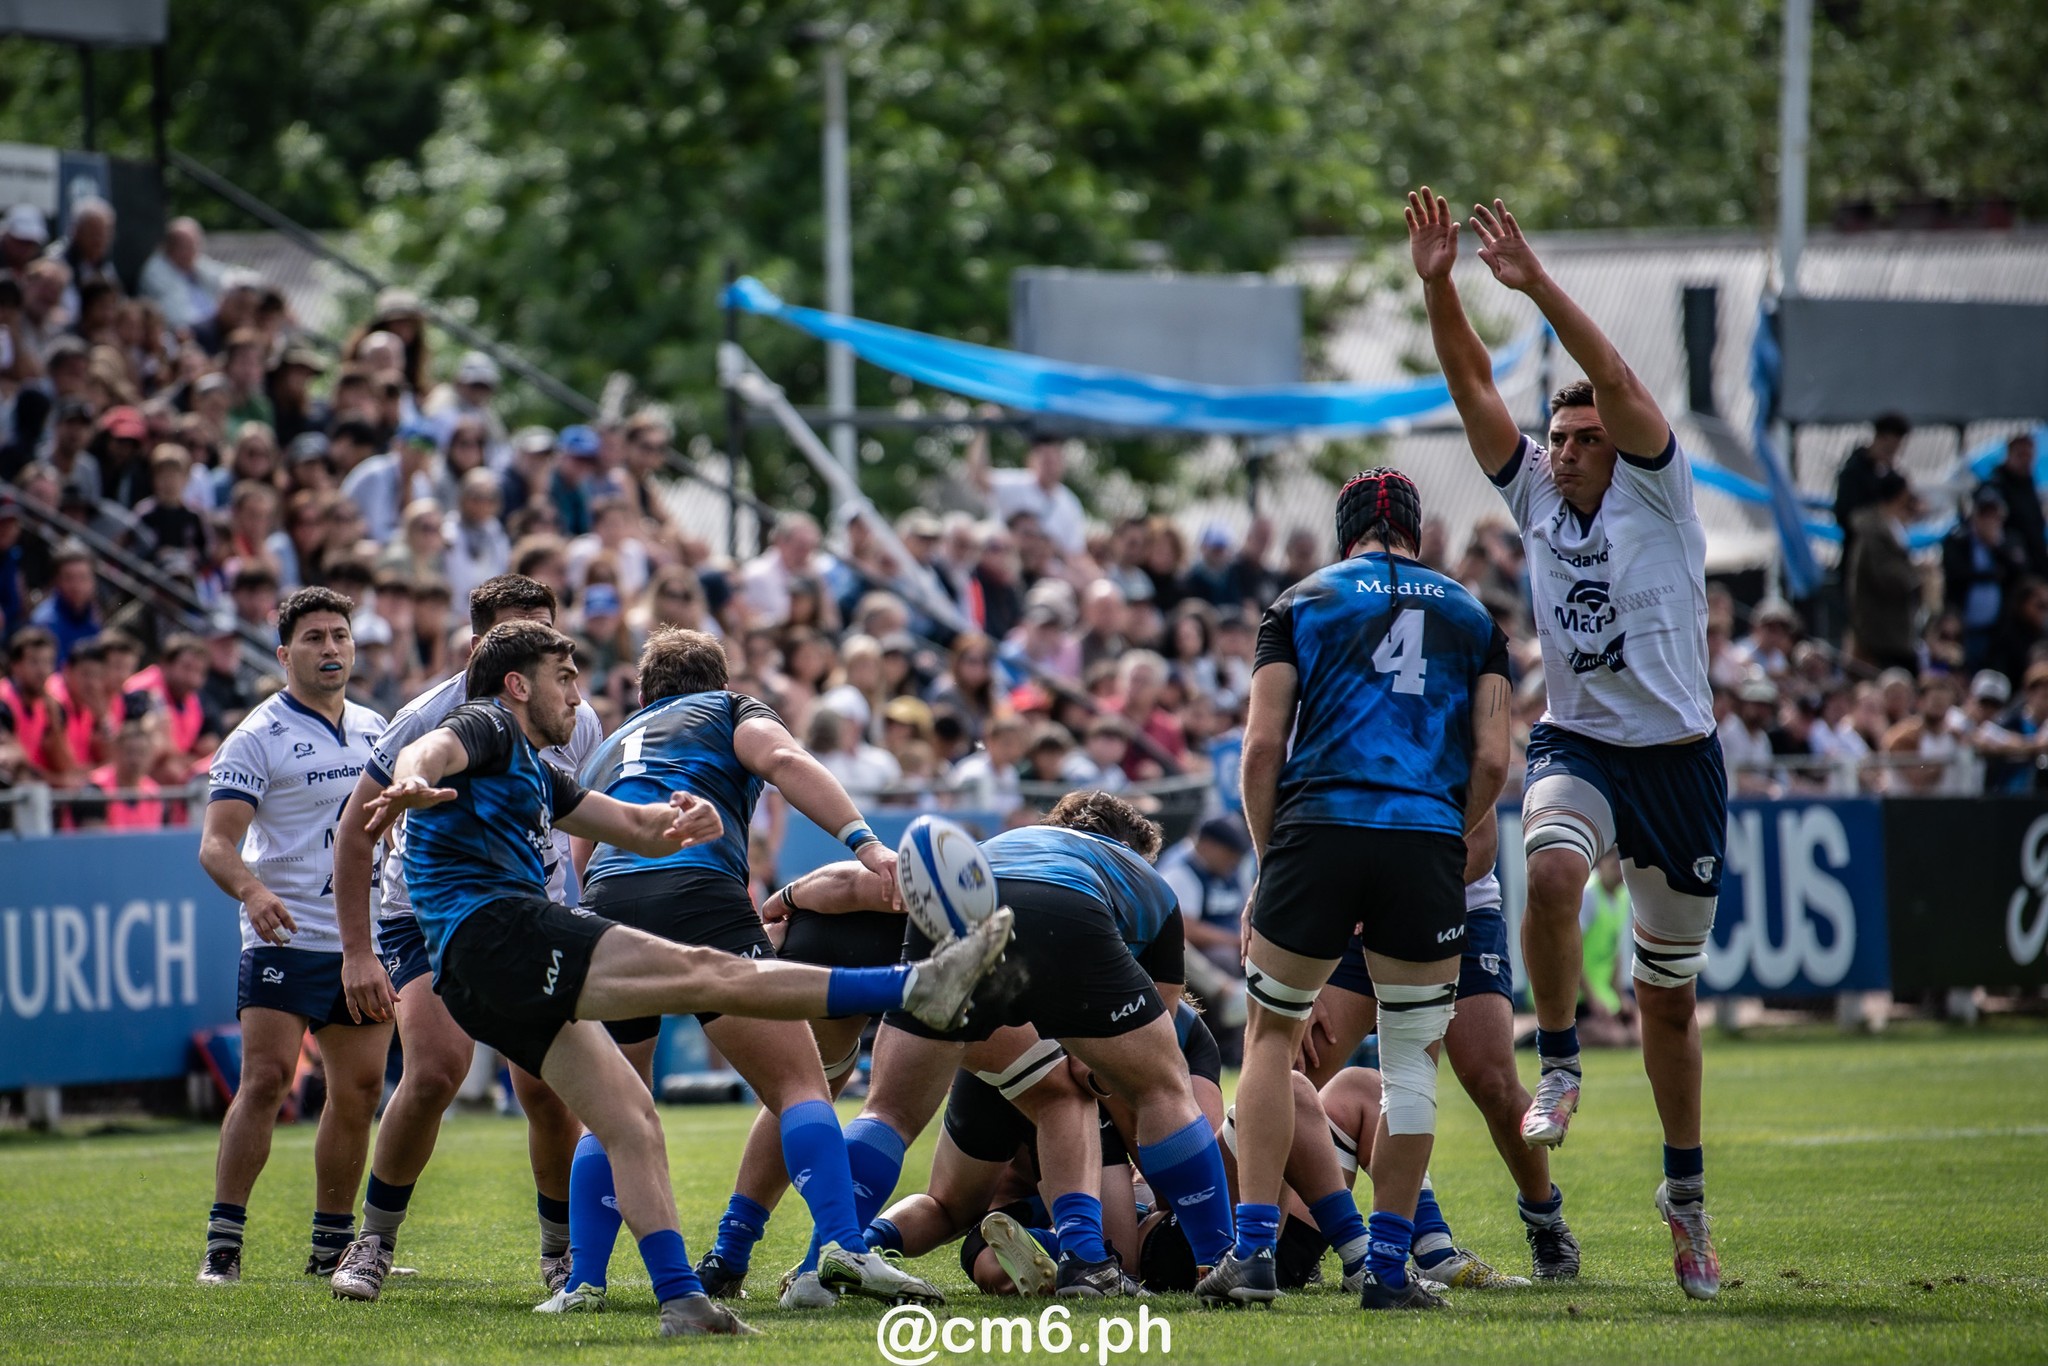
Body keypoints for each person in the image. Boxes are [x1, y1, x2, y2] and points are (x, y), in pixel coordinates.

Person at [356, 620, 1012, 1338]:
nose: (577, 695)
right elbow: (436, 746)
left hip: (490, 973)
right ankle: (912, 989)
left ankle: (672, 1301)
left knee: (629, 1120)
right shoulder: (490, 723)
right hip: (508, 933)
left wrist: (683, 823)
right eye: (564, 677)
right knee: (721, 981)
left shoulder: (560, 766)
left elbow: (623, 833)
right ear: (517, 685)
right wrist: (412, 776)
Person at [1408, 185, 1723, 1299]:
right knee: (1547, 873)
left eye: (1588, 438)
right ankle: (1559, 1062)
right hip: (1580, 743)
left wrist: (1536, 283)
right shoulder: (1538, 495)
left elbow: (1622, 382)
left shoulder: (1657, 489)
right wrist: (1440, 288)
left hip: (1677, 759)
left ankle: (1685, 1198)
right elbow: (1470, 386)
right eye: (1562, 438)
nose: (1571, 451)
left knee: (1668, 999)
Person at [536, 626, 943, 1312]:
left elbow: (586, 856)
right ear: (719, 682)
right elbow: (783, 758)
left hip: (608, 903)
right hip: (698, 890)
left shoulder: (608, 745)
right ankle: (844, 1247)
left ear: (645, 692)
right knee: (798, 1082)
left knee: (613, 1107)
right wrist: (868, 845)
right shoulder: (728, 709)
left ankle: (583, 1284)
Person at [1224, 462, 1510, 1311]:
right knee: (1411, 1057)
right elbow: (1495, 760)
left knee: (1271, 1038)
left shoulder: (1301, 602)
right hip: (1423, 837)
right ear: (1415, 532)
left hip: (1318, 829)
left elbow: (1260, 750)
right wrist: (1445, 830)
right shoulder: (1473, 614)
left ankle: (1252, 1256)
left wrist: (1272, 863)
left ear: (1345, 531)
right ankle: (1389, 1268)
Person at [769, 793, 1239, 1300]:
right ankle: (1214, 1263)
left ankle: (820, 1264)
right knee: (1156, 1087)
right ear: (1134, 852)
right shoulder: (1143, 880)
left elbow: (865, 881)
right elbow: (1160, 1034)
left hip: (958, 922)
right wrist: (1102, 1073)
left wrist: (787, 896)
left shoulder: (1004, 845)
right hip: (1067, 923)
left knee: (890, 1112)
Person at [326, 577, 601, 1303]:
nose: (546, 649)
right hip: (429, 914)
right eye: (522, 630)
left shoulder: (575, 712)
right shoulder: (430, 715)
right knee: (436, 1071)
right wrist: (356, 952)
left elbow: (580, 822)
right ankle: (373, 1241)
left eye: (549, 630)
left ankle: (560, 1254)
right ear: (485, 647)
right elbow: (356, 831)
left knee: (547, 1086)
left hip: (530, 911)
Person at [194, 588, 393, 1286]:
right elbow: (216, 845)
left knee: (359, 1089)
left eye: (340, 635)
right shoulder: (256, 736)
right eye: (314, 638)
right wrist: (254, 892)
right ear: (283, 654)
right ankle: (223, 1245)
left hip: (361, 939)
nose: (331, 648)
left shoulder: (377, 728)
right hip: (284, 937)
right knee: (267, 1080)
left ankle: (330, 1248)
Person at [1847, 470, 1924, 673]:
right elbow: (1888, 576)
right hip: (1881, 633)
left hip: (1896, 632)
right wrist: (1917, 576)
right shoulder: (1874, 533)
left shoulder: (1892, 528)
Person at [969, 432, 1089, 560]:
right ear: (1031, 460)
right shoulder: (1015, 484)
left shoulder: (1069, 503)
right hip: (1003, 561)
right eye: (1046, 461)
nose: (1051, 467)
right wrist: (983, 431)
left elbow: (1075, 553)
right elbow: (978, 477)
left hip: (1046, 568)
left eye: (1055, 460)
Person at [1944, 487, 2025, 673]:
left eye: (1993, 514)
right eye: (1984, 514)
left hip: (1998, 628)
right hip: (1964, 626)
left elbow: (2019, 572)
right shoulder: (1958, 539)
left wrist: (1995, 546)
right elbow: (1956, 573)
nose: (1989, 520)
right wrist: (1991, 574)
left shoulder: (2009, 539)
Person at [1833, 412, 1911, 570]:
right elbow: (1846, 515)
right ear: (1879, 439)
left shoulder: (1889, 475)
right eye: (1889, 449)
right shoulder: (1853, 473)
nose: (1891, 454)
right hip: (1859, 555)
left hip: (1884, 559)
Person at [1983, 432, 2047, 579]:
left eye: (2029, 456)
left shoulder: (2029, 484)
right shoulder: (1996, 486)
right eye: (2021, 455)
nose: (2026, 460)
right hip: (2011, 567)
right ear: (2009, 454)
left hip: (2035, 562)